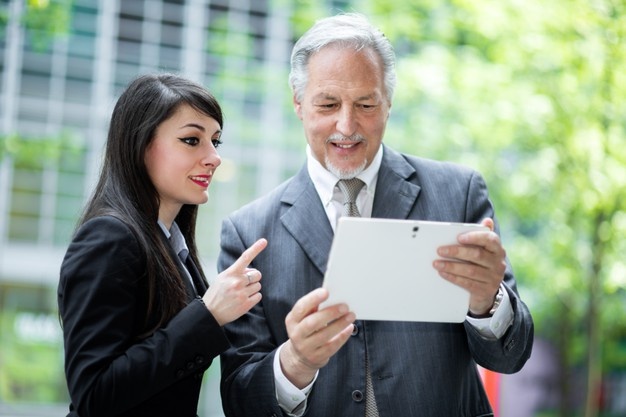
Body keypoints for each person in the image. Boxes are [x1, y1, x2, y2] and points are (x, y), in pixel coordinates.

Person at [218, 12, 534, 417]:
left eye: (365, 104)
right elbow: (240, 402)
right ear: (298, 103)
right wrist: (295, 362)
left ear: (388, 104)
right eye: (328, 104)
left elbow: (509, 358)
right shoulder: (248, 233)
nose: (346, 126)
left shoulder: (459, 194)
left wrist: (488, 300)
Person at [57, 73, 267, 417]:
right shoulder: (109, 239)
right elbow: (93, 394)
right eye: (191, 140)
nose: (213, 157)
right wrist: (207, 315)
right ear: (140, 146)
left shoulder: (172, 245)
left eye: (216, 141)